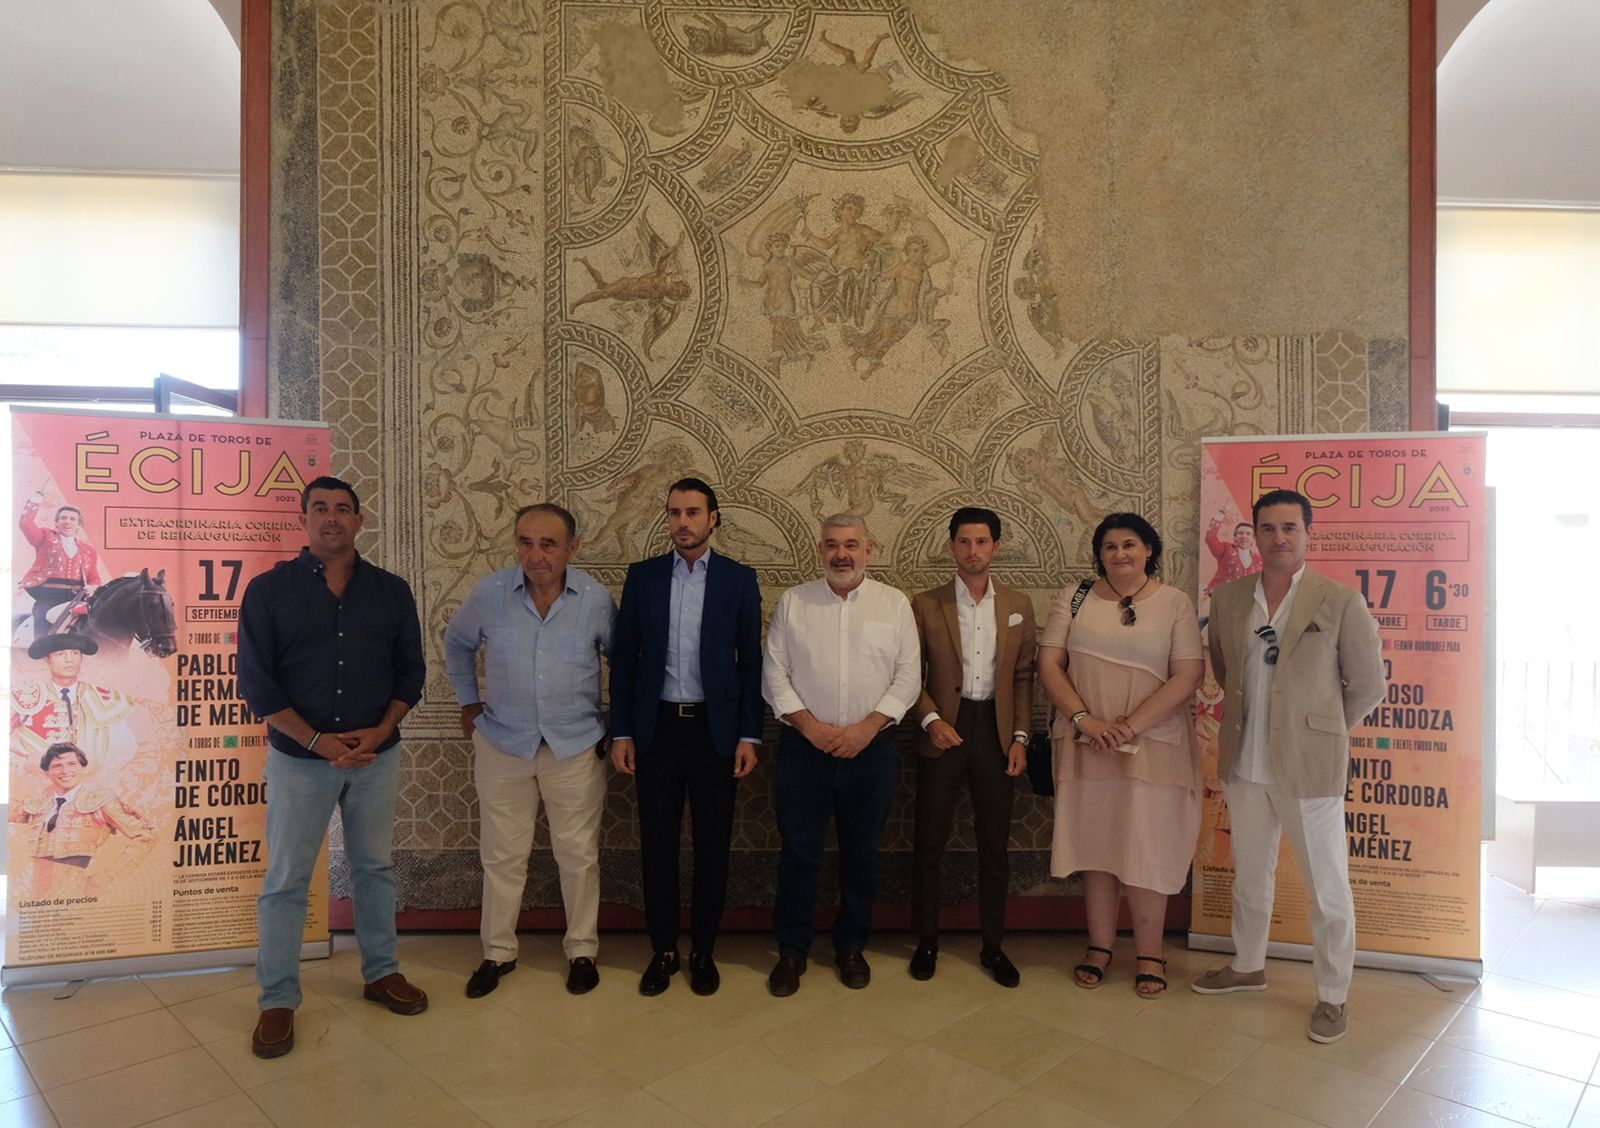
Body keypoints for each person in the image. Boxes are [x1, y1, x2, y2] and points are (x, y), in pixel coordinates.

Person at [237, 476, 427, 1060]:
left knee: (374, 868)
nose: (331, 518)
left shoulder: (391, 592)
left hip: (375, 757)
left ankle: (381, 973)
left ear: (358, 520)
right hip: (300, 761)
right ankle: (276, 1000)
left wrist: (382, 729)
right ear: (304, 519)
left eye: (342, 509)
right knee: (288, 880)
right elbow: (257, 684)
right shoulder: (269, 592)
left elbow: (410, 673)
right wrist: (317, 741)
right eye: (320, 508)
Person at [1191, 489, 1386, 1045]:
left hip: (1309, 768)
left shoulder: (1340, 600)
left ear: (1307, 534)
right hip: (1245, 762)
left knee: (1328, 886)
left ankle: (1333, 995)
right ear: (1252, 534)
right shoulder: (1229, 599)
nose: (1279, 538)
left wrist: (1321, 732)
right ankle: (1248, 965)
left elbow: (1368, 685)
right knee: (1250, 876)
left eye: (1289, 528)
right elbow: (1226, 668)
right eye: (1268, 528)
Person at [444, 503, 615, 1000]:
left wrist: (618, 726)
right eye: (525, 542)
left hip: (575, 747)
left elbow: (624, 660)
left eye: (548, 544)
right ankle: (497, 953)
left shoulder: (596, 600)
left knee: (578, 855)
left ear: (572, 548)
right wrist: (468, 704)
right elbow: (456, 644)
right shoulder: (490, 593)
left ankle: (582, 950)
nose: (535, 555)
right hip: (503, 743)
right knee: (501, 856)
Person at [1037, 513, 1204, 998]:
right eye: (1109, 547)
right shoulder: (1075, 597)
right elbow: (1049, 662)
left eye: (1130, 544)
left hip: (1153, 745)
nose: (1120, 554)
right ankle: (1099, 946)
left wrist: (1130, 725)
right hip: (1087, 743)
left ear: (1149, 549)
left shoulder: (1175, 602)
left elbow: (1187, 675)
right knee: (1096, 844)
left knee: (1145, 844)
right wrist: (1085, 719)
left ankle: (1150, 951)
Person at [609, 478, 762, 996]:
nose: (683, 522)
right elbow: (624, 659)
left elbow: (751, 663)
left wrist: (749, 735)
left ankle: (703, 952)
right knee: (658, 845)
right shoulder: (644, 577)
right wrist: (623, 729)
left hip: (715, 734)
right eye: (674, 512)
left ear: (713, 518)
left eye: (693, 512)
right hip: (656, 730)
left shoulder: (739, 580)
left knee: (713, 846)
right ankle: (663, 951)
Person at [762, 513, 920, 996]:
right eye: (832, 545)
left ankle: (851, 946)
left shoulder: (893, 604)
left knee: (862, 854)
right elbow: (774, 673)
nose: (842, 554)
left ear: (870, 549)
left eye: (851, 544)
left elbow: (908, 676)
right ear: (820, 549)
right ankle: (792, 952)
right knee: (799, 853)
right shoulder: (794, 602)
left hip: (871, 750)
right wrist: (809, 727)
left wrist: (866, 729)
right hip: (803, 750)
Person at [907, 507, 1037, 988]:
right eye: (964, 542)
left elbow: (1024, 678)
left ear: (996, 546)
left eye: (982, 542)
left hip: (996, 733)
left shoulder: (1019, 603)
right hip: (942, 729)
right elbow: (907, 673)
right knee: (930, 843)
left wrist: (1020, 737)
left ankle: (993, 946)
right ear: (951, 547)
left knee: (993, 847)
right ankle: (926, 942)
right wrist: (930, 719)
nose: (973, 550)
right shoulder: (925, 603)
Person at [9, 742, 154, 898]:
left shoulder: (100, 800)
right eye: (57, 766)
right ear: (47, 772)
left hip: (73, 893)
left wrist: (109, 876)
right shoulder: (39, 803)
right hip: (28, 891)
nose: (65, 771)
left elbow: (146, 837)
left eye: (72, 764)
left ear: (82, 768)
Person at [10, 633, 140, 774]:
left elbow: (126, 747)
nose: (69, 660)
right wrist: (26, 762)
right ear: (47, 660)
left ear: (81, 658)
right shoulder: (24, 698)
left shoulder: (103, 700)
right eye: (60, 654)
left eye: (75, 653)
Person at [18, 491, 105, 638]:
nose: (67, 521)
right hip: (48, 597)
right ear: (57, 522)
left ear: (79, 524)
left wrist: (93, 587)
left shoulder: (88, 550)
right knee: (43, 634)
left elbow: (94, 578)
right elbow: (25, 523)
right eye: (63, 518)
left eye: (72, 519)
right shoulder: (45, 537)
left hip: (77, 598)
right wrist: (35, 500)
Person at [1204, 510, 1262, 593]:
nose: (1244, 536)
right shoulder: (1226, 550)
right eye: (1240, 533)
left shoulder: (1259, 560)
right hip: (1221, 598)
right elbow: (1210, 538)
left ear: (1253, 539)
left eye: (1248, 534)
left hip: (1245, 601)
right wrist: (1220, 515)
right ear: (1235, 537)